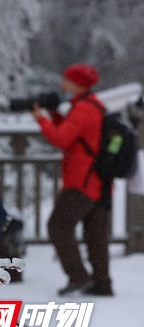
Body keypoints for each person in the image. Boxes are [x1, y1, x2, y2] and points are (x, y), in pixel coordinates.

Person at [31, 63, 113, 296]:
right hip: (97, 182)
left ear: (77, 83)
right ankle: (102, 284)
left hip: (82, 182)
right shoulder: (91, 105)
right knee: (95, 236)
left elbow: (61, 139)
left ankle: (78, 278)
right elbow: (73, 134)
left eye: (66, 80)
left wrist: (41, 119)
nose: (62, 84)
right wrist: (55, 115)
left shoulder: (84, 108)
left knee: (58, 226)